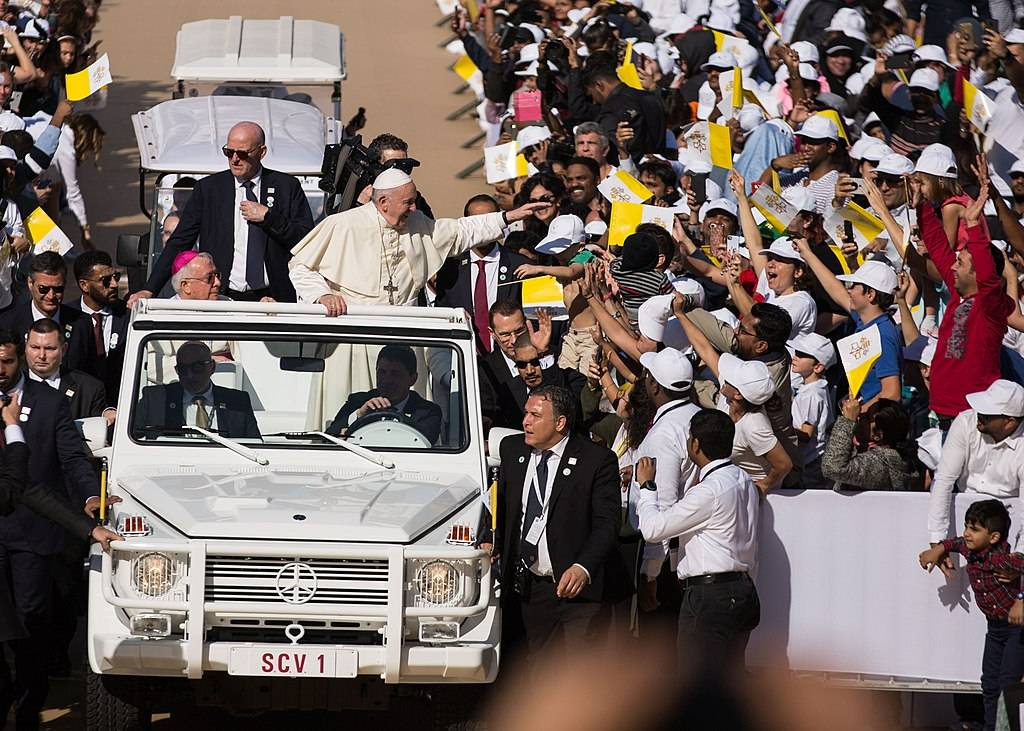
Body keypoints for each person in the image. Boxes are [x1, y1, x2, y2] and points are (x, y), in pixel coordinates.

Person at [0, 327, 100, 728]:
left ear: (17, 360)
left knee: (30, 620)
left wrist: (92, 496)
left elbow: (72, 458)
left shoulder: (49, 402)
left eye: (6, 361)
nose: (0, 369)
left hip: (32, 531)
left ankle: (28, 703)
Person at [481, 385, 625, 657]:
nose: (525, 422)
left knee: (579, 675)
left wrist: (583, 567)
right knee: (537, 673)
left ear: (560, 422)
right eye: (525, 413)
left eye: (535, 415)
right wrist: (491, 538)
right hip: (531, 589)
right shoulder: (514, 451)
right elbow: (501, 505)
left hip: (577, 590)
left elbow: (607, 523)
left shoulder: (595, 460)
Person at [288, 167, 546, 312]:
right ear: (383, 202)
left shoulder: (418, 223)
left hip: (406, 327)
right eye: (408, 203)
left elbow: (461, 231)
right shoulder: (343, 224)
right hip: (356, 325)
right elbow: (299, 266)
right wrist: (322, 295)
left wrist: (507, 216)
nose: (414, 209)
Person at [129, 121, 314, 304]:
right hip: (222, 295)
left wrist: (269, 218)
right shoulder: (209, 189)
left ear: (262, 152)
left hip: (273, 297)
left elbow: (307, 241)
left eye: (242, 153)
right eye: (229, 152)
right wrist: (149, 289)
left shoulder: (286, 187)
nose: (234, 159)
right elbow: (180, 242)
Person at [635, 408, 761, 671]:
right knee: (730, 684)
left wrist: (647, 486)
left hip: (711, 597)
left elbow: (654, 529)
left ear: (695, 445)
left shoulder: (709, 490)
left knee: (698, 686)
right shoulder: (744, 480)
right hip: (743, 591)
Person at [916, 167, 1013, 426]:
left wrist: (972, 226)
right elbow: (937, 247)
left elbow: (988, 277)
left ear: (979, 272)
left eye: (962, 262)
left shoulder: (990, 305)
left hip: (973, 414)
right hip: (943, 411)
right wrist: (922, 206)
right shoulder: (959, 293)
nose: (954, 266)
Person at [919, 499, 1024, 731]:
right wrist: (937, 549)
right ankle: (990, 727)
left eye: (974, 529)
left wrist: (1021, 600)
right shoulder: (971, 549)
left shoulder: (1004, 559)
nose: (966, 533)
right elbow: (955, 543)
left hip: (1017, 630)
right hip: (995, 629)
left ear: (994, 537)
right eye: (966, 526)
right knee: (989, 684)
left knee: (1008, 684)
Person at [628, 348, 700, 616]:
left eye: (647, 375)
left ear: (655, 386)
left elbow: (663, 508)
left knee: (661, 642)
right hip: (687, 551)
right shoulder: (697, 415)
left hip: (668, 560)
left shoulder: (664, 433)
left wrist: (649, 574)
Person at [793, 245, 903, 406]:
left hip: (869, 423)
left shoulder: (883, 335)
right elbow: (836, 290)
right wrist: (807, 254)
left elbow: (892, 393)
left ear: (870, 294)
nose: (848, 290)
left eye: (853, 286)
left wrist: (858, 413)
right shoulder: (866, 321)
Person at [927, 380, 1024, 546]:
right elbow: (943, 479)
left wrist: (1019, 555)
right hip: (963, 515)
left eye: (987, 414)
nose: (979, 415)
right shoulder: (966, 421)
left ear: (1010, 421)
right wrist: (937, 538)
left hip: (1011, 521)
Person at [432, 194, 530, 354]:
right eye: (476, 221)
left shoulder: (520, 265)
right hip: (466, 360)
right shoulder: (450, 269)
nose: (483, 227)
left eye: (489, 219)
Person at [134, 341, 260, 440]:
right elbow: (131, 437)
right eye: (183, 369)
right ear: (177, 371)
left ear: (212, 367)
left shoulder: (237, 401)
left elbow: (255, 445)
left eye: (197, 367)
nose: (190, 375)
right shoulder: (155, 399)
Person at [325, 345, 442, 444]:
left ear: (413, 379)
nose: (386, 380)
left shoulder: (427, 411)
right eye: (382, 372)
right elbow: (328, 439)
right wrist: (359, 415)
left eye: (395, 374)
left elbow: (424, 440)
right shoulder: (358, 402)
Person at [0, 251, 90, 371]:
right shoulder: (7, 323)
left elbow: (90, 373)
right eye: (43, 289)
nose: (51, 295)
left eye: (58, 289)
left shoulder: (81, 323)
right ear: (30, 284)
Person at [73, 250, 128, 405]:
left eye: (115, 277)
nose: (114, 285)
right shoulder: (68, 318)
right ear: (84, 285)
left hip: (119, 404)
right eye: (105, 281)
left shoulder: (128, 315)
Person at [25, 318, 106, 420]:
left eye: (49, 349)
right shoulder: (12, 384)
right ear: (25, 347)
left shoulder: (89, 389)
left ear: (63, 350)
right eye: (35, 347)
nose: (42, 355)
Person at [822, 398, 910, 490]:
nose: (860, 416)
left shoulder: (884, 462)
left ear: (878, 435)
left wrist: (847, 421)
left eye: (867, 417)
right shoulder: (868, 448)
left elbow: (833, 468)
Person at [789, 332, 836, 488]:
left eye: (801, 355)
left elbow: (806, 434)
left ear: (818, 366)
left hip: (809, 463)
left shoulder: (812, 395)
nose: (795, 357)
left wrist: (778, 432)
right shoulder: (815, 388)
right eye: (796, 352)